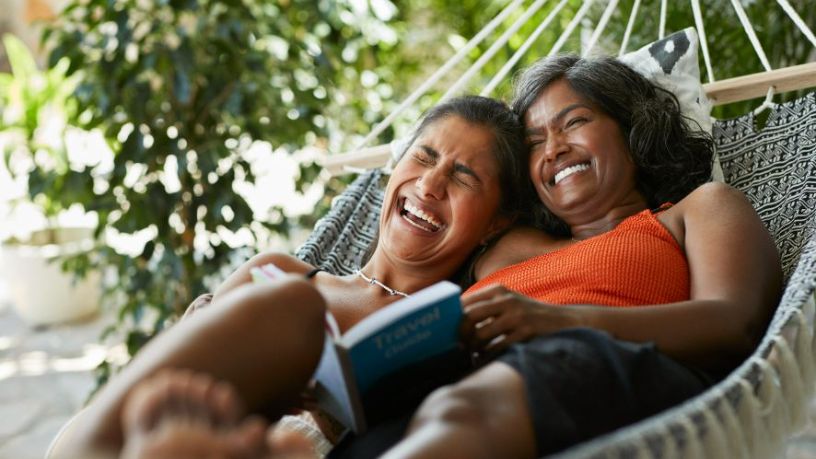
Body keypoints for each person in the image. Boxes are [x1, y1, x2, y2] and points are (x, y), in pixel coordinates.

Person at [329, 55, 783, 458]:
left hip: (606, 377)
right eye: (533, 142)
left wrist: (562, 321)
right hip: (455, 400)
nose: (553, 149)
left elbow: (734, 323)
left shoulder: (697, 209)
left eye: (574, 122)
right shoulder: (499, 248)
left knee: (467, 408)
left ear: (632, 127)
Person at [51, 95, 533, 459]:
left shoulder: (455, 328)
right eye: (423, 157)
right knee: (290, 304)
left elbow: (594, 239)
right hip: (132, 435)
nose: (430, 185)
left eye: (464, 176)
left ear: (498, 221)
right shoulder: (278, 272)